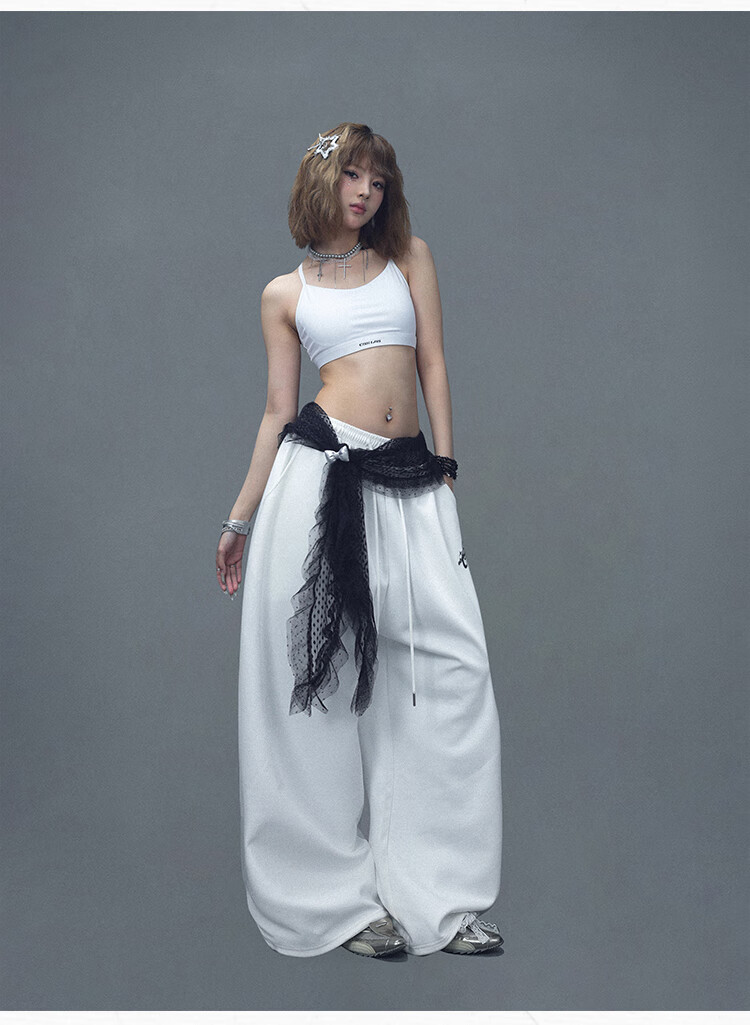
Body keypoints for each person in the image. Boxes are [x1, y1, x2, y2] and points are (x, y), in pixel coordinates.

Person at [216, 122, 503, 959]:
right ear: (323, 179)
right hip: (319, 478)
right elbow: (278, 410)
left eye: (378, 181)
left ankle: (441, 899)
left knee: (448, 673)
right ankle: (334, 904)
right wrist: (239, 519)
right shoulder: (284, 293)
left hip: (408, 479)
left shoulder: (410, 256)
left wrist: (447, 469)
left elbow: (433, 363)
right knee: (313, 682)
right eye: (353, 176)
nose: (366, 193)